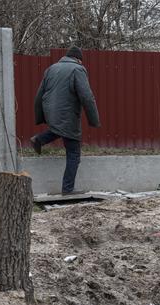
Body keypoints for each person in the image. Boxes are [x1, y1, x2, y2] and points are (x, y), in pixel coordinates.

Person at [31, 46, 100, 195]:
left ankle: (39, 139)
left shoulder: (51, 69)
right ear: (78, 59)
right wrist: (94, 120)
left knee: (59, 129)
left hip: (51, 110)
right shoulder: (77, 69)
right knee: (74, 153)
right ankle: (68, 189)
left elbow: (39, 94)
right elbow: (86, 96)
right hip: (67, 113)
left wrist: (40, 116)